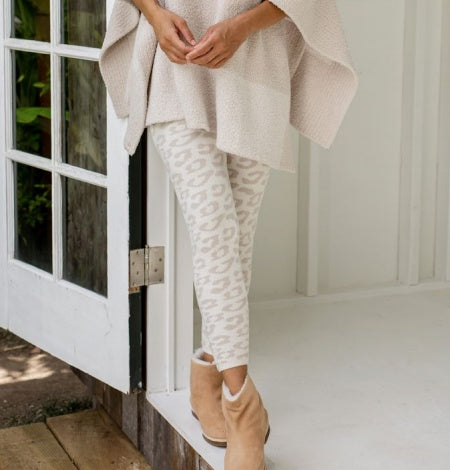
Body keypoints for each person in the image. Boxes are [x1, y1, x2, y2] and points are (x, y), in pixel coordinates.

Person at [98, 1, 359, 468]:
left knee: (236, 241)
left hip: (257, 71)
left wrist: (241, 27)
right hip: (176, 73)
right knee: (215, 232)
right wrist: (154, 15)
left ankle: (207, 376)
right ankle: (244, 410)